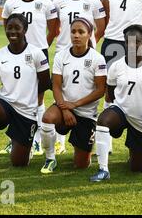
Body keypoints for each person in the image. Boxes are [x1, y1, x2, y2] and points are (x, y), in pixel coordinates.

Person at [89, 25, 142, 182]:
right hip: (121, 112)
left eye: (135, 42)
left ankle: (139, 144)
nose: (131, 46)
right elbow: (110, 93)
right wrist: (115, 107)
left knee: (137, 169)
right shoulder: (116, 66)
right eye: (127, 42)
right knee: (103, 121)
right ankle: (103, 169)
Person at [0, 13, 51, 172]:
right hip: (5, 104)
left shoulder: (37, 54)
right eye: (9, 28)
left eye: (17, 28)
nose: (12, 32)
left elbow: (45, 83)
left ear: (25, 30)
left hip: (26, 111)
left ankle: (26, 147)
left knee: (19, 163)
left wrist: (30, 98)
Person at [0, 0, 60, 156]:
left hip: (38, 56)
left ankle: (35, 140)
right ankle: (14, 139)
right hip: (17, 55)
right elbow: (7, 28)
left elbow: (54, 30)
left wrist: (41, 48)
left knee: (38, 98)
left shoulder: (47, 4)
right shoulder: (10, 4)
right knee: (15, 98)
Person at [39, 17, 107, 173]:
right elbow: (56, 86)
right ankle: (50, 159)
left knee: (81, 165)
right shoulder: (61, 56)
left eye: (81, 32)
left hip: (87, 113)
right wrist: (65, 109)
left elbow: (100, 90)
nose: (76, 35)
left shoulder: (97, 58)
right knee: (47, 118)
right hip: (64, 108)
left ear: (89, 34)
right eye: (73, 32)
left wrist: (75, 105)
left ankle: (83, 142)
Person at [52, 0, 106, 155]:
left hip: (86, 57)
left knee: (85, 93)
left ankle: (87, 133)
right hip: (63, 55)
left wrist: (89, 44)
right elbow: (55, 28)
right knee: (62, 94)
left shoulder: (94, 2)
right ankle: (59, 142)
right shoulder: (57, 2)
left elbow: (101, 27)